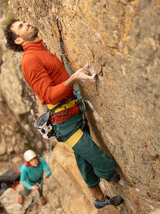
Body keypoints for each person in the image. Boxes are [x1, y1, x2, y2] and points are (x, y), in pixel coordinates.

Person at [4, 19, 124, 209]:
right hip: (65, 123)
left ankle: (100, 200)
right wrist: (74, 78)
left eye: (23, 22)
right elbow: (48, 94)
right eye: (21, 26)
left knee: (84, 162)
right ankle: (109, 176)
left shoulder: (39, 51)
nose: (26, 23)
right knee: (105, 165)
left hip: (73, 113)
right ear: (19, 41)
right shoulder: (30, 60)